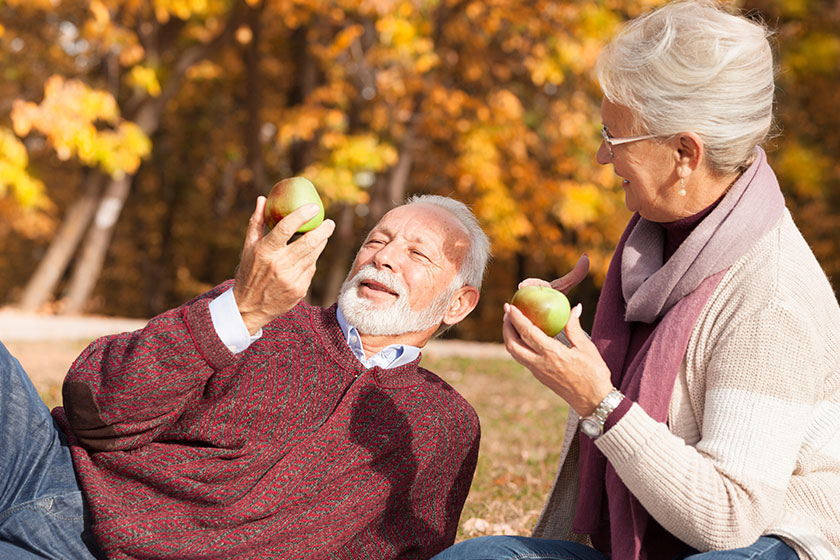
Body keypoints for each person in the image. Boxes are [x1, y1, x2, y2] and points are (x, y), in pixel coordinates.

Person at [433, 1, 840, 559]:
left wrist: (598, 402)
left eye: (614, 137)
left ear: (684, 154)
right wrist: (563, 349)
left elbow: (731, 518)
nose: (602, 156)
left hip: (763, 541)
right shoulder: (658, 241)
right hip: (654, 536)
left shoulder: (770, 301)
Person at [0, 193, 491, 559]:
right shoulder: (261, 309)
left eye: (417, 254)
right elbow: (95, 410)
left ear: (459, 303)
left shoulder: (443, 426)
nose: (383, 257)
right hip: (43, 467)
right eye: (376, 241)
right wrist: (238, 314)